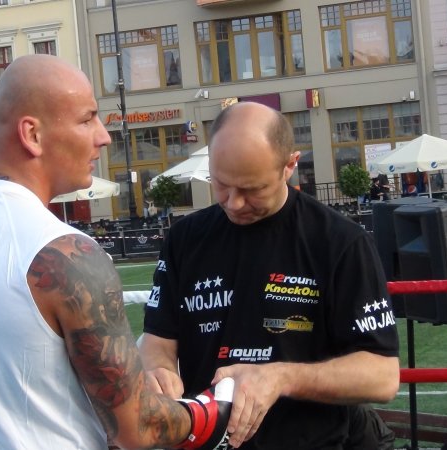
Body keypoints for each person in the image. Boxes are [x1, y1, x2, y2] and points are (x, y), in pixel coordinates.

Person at [0, 54, 234, 450]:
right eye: (87, 119)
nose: (103, 136)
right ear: (32, 134)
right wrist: (210, 411)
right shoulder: (64, 253)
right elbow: (138, 427)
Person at [139, 101, 400, 450]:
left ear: (290, 165)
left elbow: (382, 376)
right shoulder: (185, 239)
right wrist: (158, 371)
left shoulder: (340, 242)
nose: (234, 203)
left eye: (252, 189)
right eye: (221, 184)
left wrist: (280, 377)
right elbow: (158, 340)